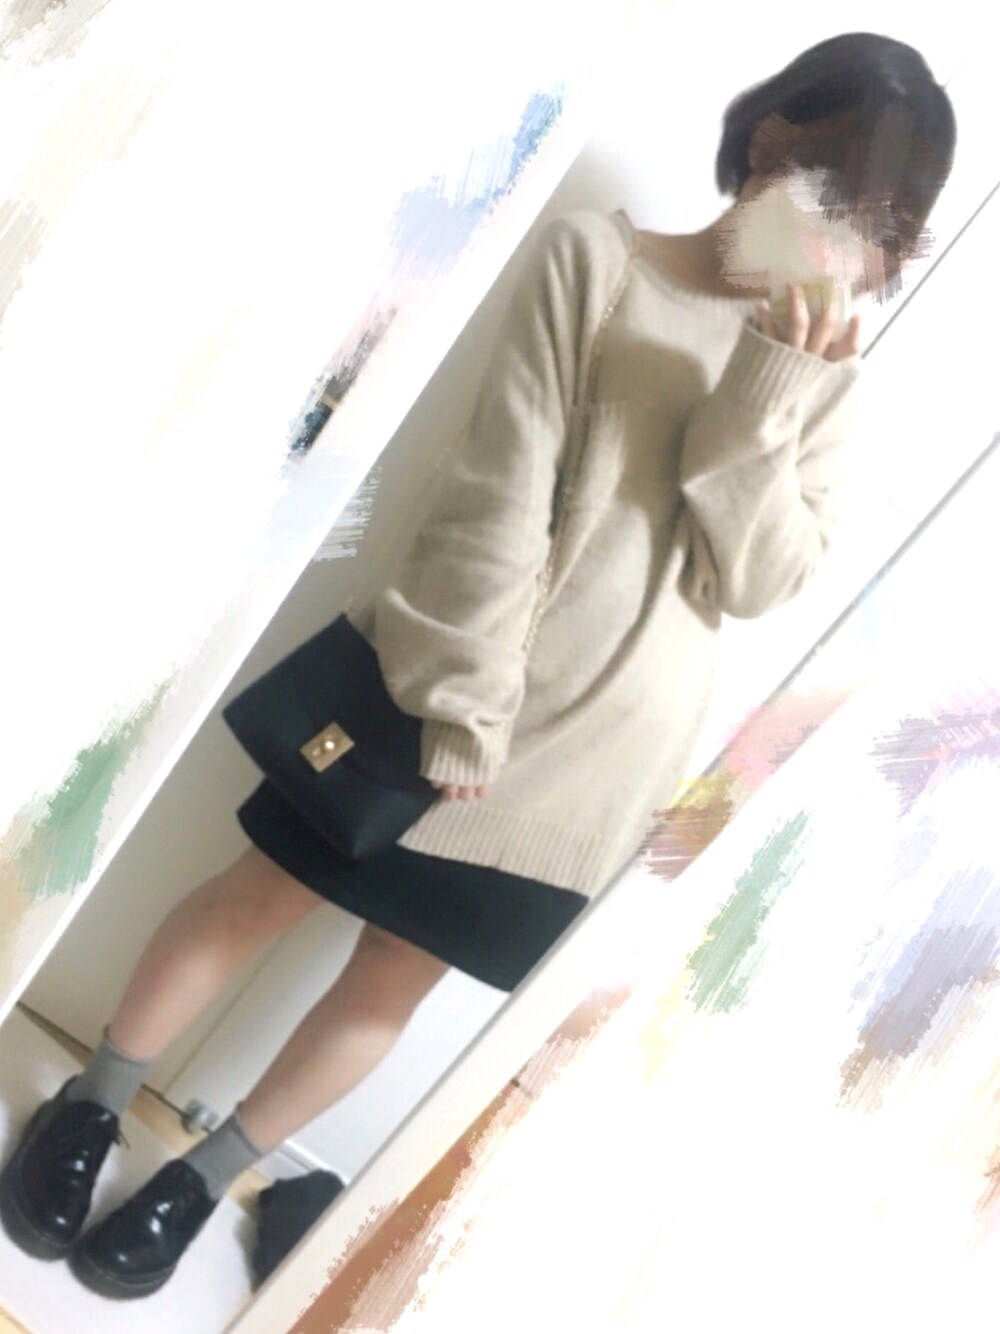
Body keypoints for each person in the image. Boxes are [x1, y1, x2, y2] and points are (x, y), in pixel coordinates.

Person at [0, 31, 955, 1300]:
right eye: (830, 205)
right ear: (770, 147)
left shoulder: (826, 384)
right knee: (256, 894)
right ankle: (92, 1101)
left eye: (874, 237)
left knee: (390, 981)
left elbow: (755, 580)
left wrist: (766, 391)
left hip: (601, 759)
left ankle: (199, 1176)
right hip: (444, 689)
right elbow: (497, 490)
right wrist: (462, 705)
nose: (837, 255)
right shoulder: (597, 262)